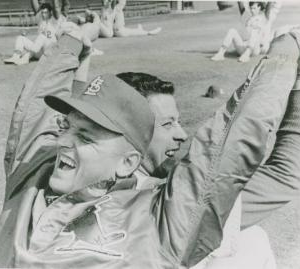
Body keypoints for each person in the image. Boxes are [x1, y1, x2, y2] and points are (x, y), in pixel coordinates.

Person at [0, 26, 300, 268]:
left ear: (128, 161)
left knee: (247, 245)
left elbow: (229, 146)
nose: (61, 143)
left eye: (86, 138)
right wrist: (70, 47)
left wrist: (283, 56)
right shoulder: (31, 176)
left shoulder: (157, 217)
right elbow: (37, 119)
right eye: (69, 128)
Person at [116, 73, 277, 269]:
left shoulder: (100, 179)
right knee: (252, 241)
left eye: (179, 122)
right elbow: (284, 176)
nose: (182, 135)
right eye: (167, 124)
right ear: (126, 133)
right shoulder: (148, 196)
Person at [4, 0, 66, 65]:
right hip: (39, 52)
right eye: (42, 12)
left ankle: (26, 57)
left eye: (46, 12)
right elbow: (34, 2)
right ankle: (16, 57)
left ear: (50, 12)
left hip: (50, 51)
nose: (43, 14)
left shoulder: (55, 20)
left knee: (42, 36)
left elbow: (56, 7)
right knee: (20, 38)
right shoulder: (40, 18)